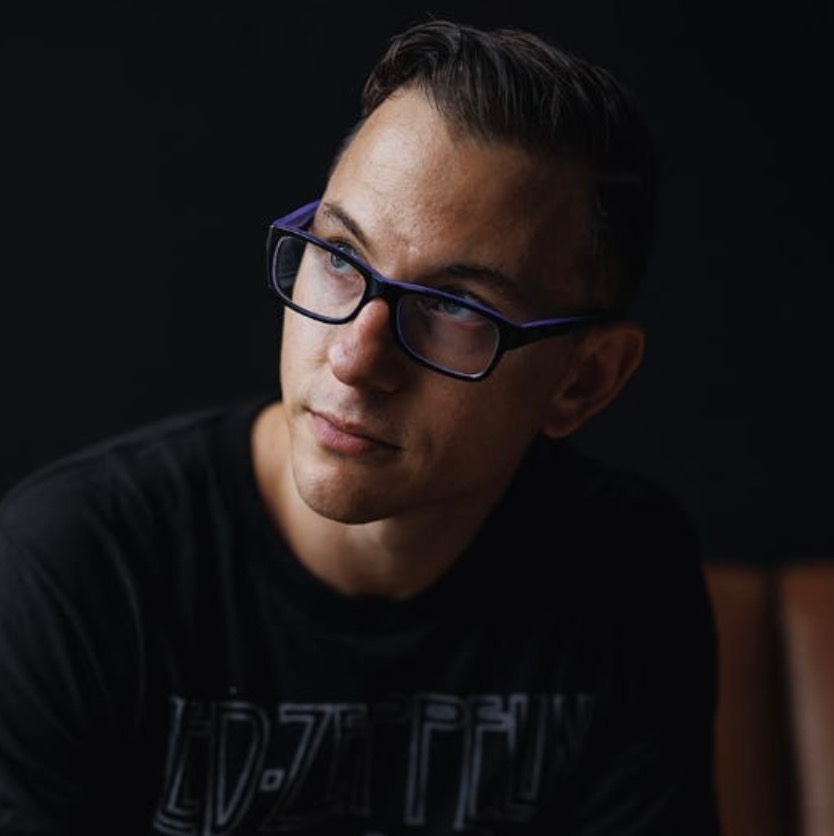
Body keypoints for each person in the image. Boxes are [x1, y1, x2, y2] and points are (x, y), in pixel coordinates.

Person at [0, 17, 720, 835]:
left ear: (584, 380)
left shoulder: (624, 570)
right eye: (341, 256)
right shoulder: (77, 572)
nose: (354, 357)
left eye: (456, 306)